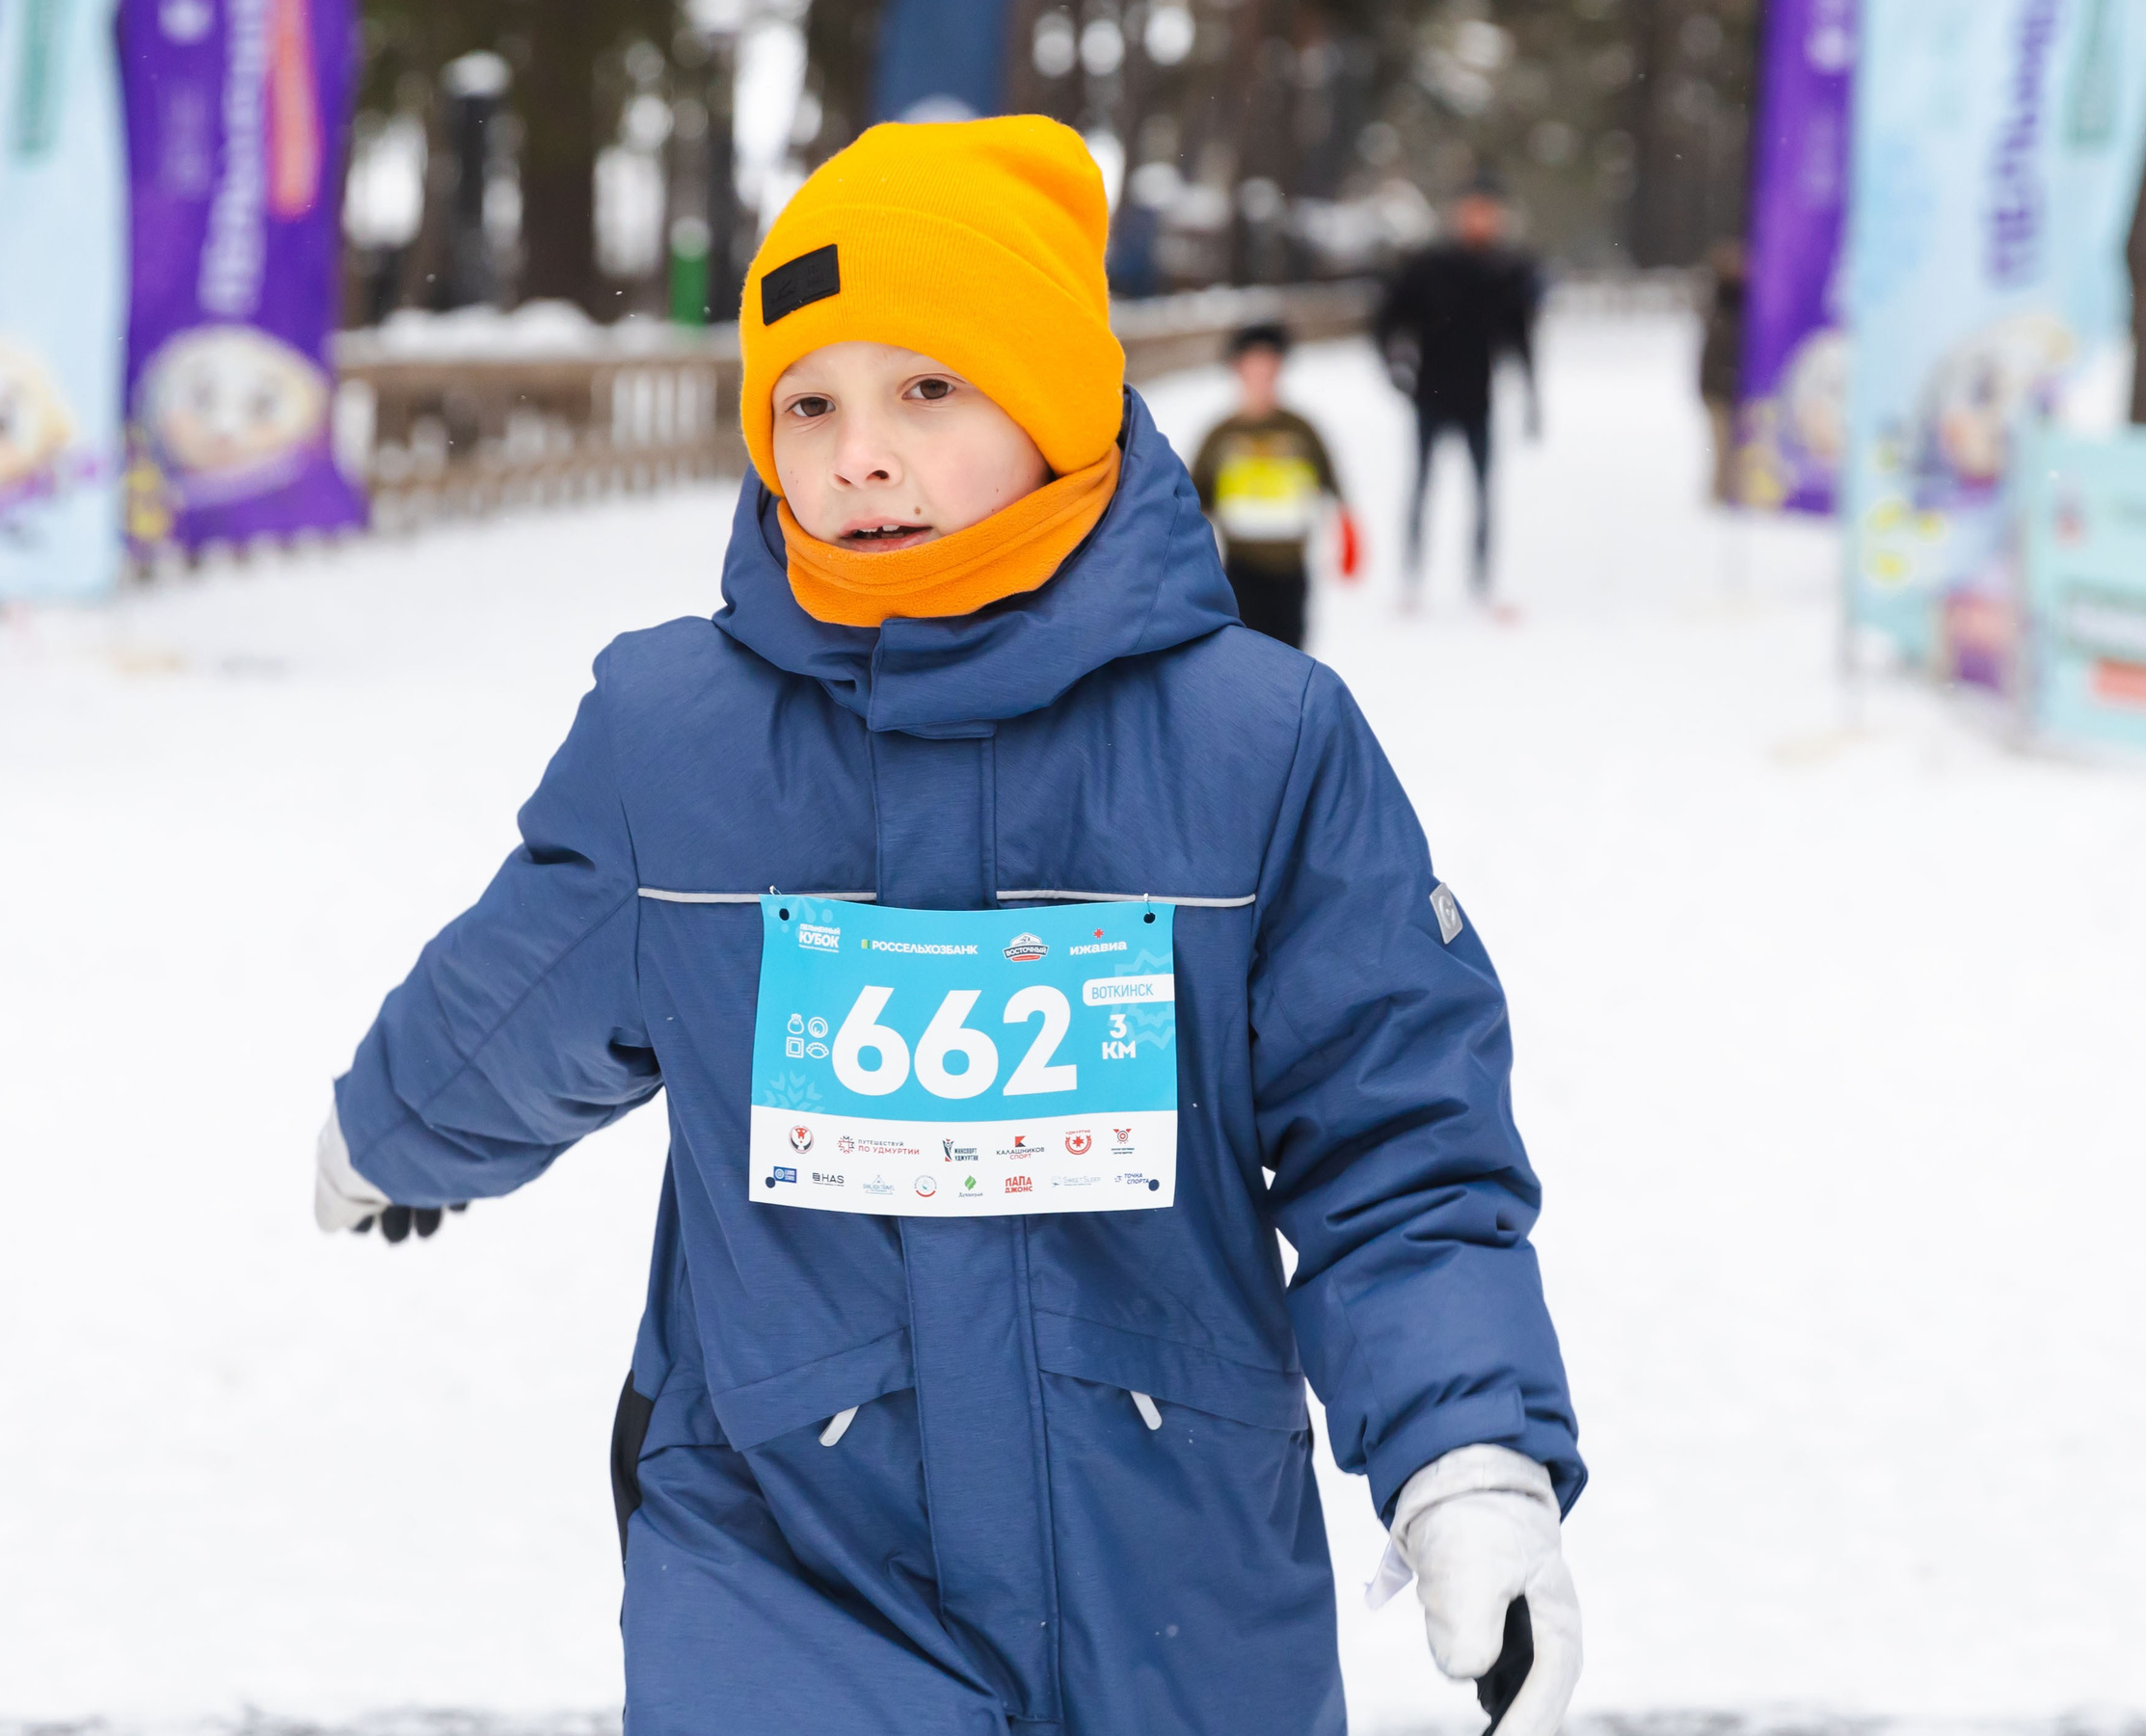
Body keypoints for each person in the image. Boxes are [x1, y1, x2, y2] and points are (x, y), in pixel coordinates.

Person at [316, 118, 1584, 1736]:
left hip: (1171, 1547)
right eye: (810, 401)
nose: (859, 452)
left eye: (928, 387)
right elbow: (528, 986)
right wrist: (396, 1129)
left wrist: (1468, 1459)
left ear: (1052, 404)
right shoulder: (678, 737)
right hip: (783, 1538)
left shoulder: (1258, 746)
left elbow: (1395, 1131)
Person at [1374, 177, 1542, 613]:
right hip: (1429, 394)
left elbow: (1521, 336)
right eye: (1473, 210)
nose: (1480, 220)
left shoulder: (1507, 272)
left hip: (1478, 399)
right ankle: (1410, 576)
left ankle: (1481, 579)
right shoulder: (1427, 266)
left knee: (1483, 490)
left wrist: (1531, 395)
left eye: (1488, 212)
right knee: (1422, 486)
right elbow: (1389, 318)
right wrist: (1393, 366)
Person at [1187, 320, 1354, 650]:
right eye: (1253, 366)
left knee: (1291, 654)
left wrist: (1349, 531)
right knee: (1246, 657)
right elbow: (1193, 501)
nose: (1261, 376)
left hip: (1292, 570)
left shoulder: (1301, 431)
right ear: (1237, 369)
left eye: (1269, 365)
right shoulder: (1221, 436)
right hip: (1240, 571)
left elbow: (1332, 485)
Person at [1700, 240, 1748, 505]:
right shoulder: (1725, 310)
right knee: (1722, 449)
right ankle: (1721, 498)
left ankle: (1726, 495)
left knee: (1730, 449)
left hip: (1724, 388)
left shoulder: (1731, 307)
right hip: (1720, 391)